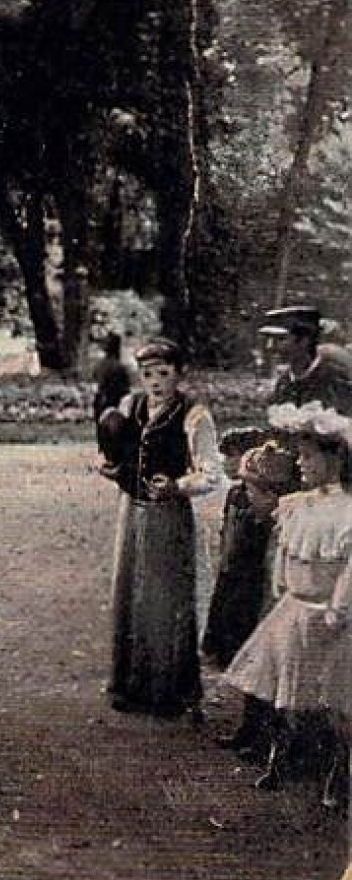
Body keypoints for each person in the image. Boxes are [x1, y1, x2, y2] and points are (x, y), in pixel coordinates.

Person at [225, 402, 352, 794]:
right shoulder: (298, 506)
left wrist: (339, 606)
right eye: (300, 455)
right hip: (294, 609)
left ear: (334, 460)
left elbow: (349, 568)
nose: (300, 462)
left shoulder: (347, 511)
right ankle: (281, 757)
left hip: (328, 614)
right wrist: (282, 584)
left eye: (309, 456)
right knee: (286, 693)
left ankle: (337, 770)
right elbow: (284, 549)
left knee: (332, 700)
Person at [98, 338, 221, 720]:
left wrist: (178, 486)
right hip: (132, 510)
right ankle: (130, 686)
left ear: (178, 374)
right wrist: (112, 468)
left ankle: (169, 691)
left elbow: (212, 473)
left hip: (167, 516)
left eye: (164, 374)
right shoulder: (131, 406)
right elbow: (118, 452)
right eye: (147, 374)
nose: (154, 382)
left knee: (164, 601)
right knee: (130, 593)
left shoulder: (194, 414)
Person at [202, 429, 298, 670]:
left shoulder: (263, 502)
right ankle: (221, 650)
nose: (226, 464)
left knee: (243, 609)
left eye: (230, 457)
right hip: (232, 561)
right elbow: (228, 528)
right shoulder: (236, 493)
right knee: (226, 603)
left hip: (248, 566)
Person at [262, 306, 352, 413]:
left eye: (280, 339)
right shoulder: (284, 383)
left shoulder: (335, 380)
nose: (270, 346)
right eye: (268, 339)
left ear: (304, 341)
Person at [91, 332, 132, 453]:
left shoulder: (99, 365)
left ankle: (103, 447)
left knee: (101, 425)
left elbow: (96, 382)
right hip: (117, 399)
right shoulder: (120, 367)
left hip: (101, 398)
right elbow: (125, 387)